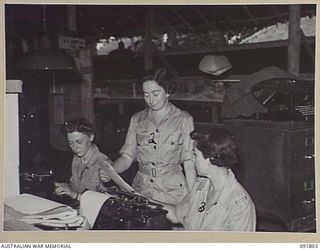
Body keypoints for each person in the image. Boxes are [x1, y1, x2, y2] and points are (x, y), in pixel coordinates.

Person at [100, 68, 196, 205]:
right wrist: (110, 171)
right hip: (142, 188)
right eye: (146, 95)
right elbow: (127, 157)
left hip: (173, 191)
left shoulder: (184, 119)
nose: (151, 100)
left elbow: (189, 162)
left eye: (155, 94)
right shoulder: (137, 119)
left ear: (168, 92)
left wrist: (194, 196)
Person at [159, 128, 256, 231]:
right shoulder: (201, 184)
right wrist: (145, 201)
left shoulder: (240, 205)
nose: (193, 159)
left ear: (210, 158)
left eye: (195, 155)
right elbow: (177, 214)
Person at [54, 117, 115, 201]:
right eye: (71, 143)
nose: (75, 148)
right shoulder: (77, 158)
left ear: (91, 137)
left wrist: (74, 195)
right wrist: (66, 187)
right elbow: (77, 187)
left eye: (79, 142)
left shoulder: (104, 163)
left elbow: (104, 202)